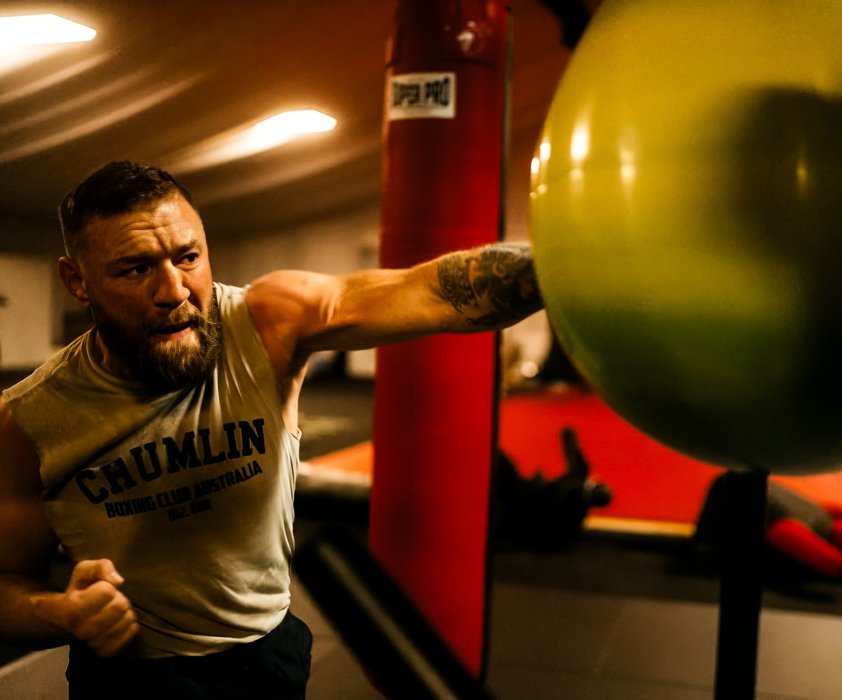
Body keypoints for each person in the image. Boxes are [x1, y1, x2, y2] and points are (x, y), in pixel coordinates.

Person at [0, 161, 543, 698]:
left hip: (266, 658)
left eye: (188, 258)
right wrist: (63, 613)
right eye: (135, 269)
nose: (174, 291)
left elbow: (431, 291)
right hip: (128, 679)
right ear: (78, 281)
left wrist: (571, 265)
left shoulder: (266, 324)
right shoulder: (28, 419)